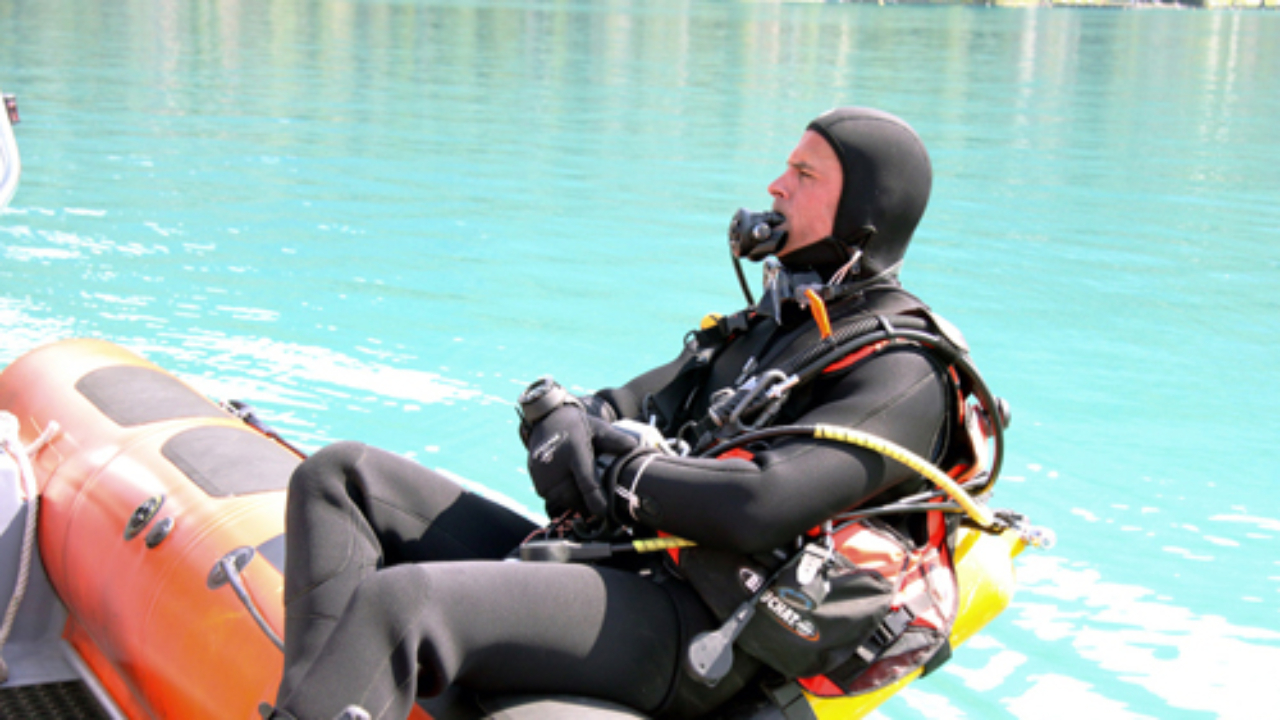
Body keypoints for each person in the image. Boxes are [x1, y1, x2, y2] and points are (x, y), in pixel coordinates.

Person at [266, 107, 958, 720]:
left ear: (863, 216)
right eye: (785, 168)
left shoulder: (902, 372)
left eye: (803, 174)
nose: (776, 187)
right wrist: (561, 419)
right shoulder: (765, 328)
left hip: (704, 631)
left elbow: (758, 505)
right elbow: (615, 406)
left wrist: (625, 470)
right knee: (340, 477)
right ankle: (325, 694)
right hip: (627, 567)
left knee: (405, 602)